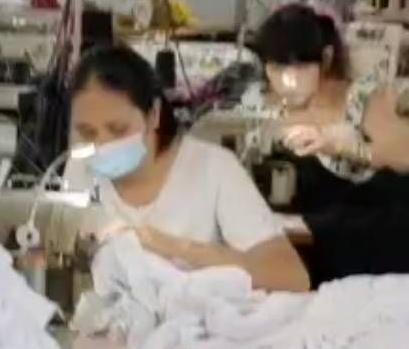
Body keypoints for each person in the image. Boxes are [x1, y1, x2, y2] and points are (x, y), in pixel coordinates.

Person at [70, 44, 309, 292]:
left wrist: (174, 247)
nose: (102, 144)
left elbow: (291, 276)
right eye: (87, 132)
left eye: (118, 129)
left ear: (154, 115)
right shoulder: (80, 169)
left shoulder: (214, 170)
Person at [249, 2, 409, 279]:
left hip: (367, 235)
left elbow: (404, 156)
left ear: (325, 58)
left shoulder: (362, 99)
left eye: (297, 68)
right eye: (274, 68)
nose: (285, 81)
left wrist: (339, 146)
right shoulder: (261, 104)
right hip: (296, 235)